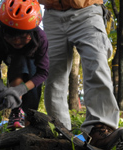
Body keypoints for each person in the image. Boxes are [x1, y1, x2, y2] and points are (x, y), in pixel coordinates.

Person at [39, 0, 123, 149]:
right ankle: (61, 133)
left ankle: (99, 130)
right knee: (53, 76)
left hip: (87, 10)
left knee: (96, 64)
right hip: (51, 13)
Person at [0, 0, 49, 129]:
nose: (16, 41)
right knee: (19, 60)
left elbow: (43, 72)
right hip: (14, 64)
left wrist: (20, 90)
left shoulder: (40, 38)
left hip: (34, 70)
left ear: (32, 32)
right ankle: (16, 110)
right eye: (11, 36)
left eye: (22, 37)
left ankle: (26, 117)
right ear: (3, 30)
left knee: (31, 104)